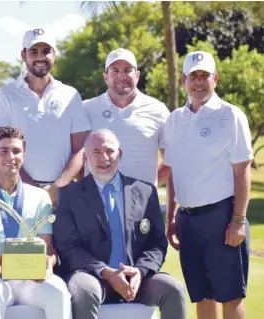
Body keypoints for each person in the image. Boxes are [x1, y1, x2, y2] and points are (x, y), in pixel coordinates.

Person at [53, 129, 186, 319]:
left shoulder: (145, 192)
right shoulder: (69, 195)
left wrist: (140, 271)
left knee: (174, 289)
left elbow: (157, 244)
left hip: (137, 278)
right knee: (84, 291)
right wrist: (107, 273)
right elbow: (68, 247)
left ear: (120, 154)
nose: (103, 158)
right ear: (85, 158)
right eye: (96, 152)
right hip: (92, 276)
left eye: (109, 151)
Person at [164, 51, 252, 319]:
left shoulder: (230, 115)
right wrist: (171, 218)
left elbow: (243, 170)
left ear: (216, 79)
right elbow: (172, 173)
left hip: (223, 217)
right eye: (193, 76)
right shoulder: (174, 120)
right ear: (183, 80)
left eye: (205, 76)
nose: (199, 82)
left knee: (230, 296)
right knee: (202, 295)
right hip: (188, 221)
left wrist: (238, 219)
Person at [0, 125, 71, 319]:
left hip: (30, 278)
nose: (11, 157)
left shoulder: (40, 197)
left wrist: (48, 263)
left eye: (17, 151)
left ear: (24, 156)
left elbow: (49, 247)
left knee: (59, 292)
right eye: (4, 151)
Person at [0, 28, 90, 206]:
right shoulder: (6, 95)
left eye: (46, 51)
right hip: (17, 192)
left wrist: (57, 187)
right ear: (23, 55)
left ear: (54, 54)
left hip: (64, 195)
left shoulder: (70, 95)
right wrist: (34, 190)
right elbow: (2, 150)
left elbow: (80, 149)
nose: (40, 57)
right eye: (33, 51)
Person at [83, 48, 169, 186]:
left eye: (127, 70)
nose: (121, 76)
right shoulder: (86, 109)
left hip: (142, 205)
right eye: (115, 71)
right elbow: (76, 158)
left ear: (137, 75)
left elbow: (171, 162)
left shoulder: (158, 110)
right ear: (105, 76)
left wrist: (143, 190)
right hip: (96, 204)